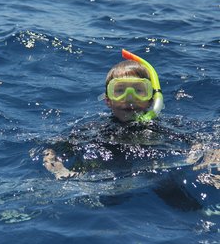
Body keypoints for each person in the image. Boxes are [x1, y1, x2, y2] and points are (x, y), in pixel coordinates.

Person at [42, 50, 169, 180]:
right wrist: (56, 164)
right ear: (108, 100)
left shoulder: (163, 129)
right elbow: (54, 145)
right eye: (120, 91)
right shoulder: (96, 129)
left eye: (138, 90)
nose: (130, 98)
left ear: (151, 100)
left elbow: (191, 141)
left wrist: (192, 155)